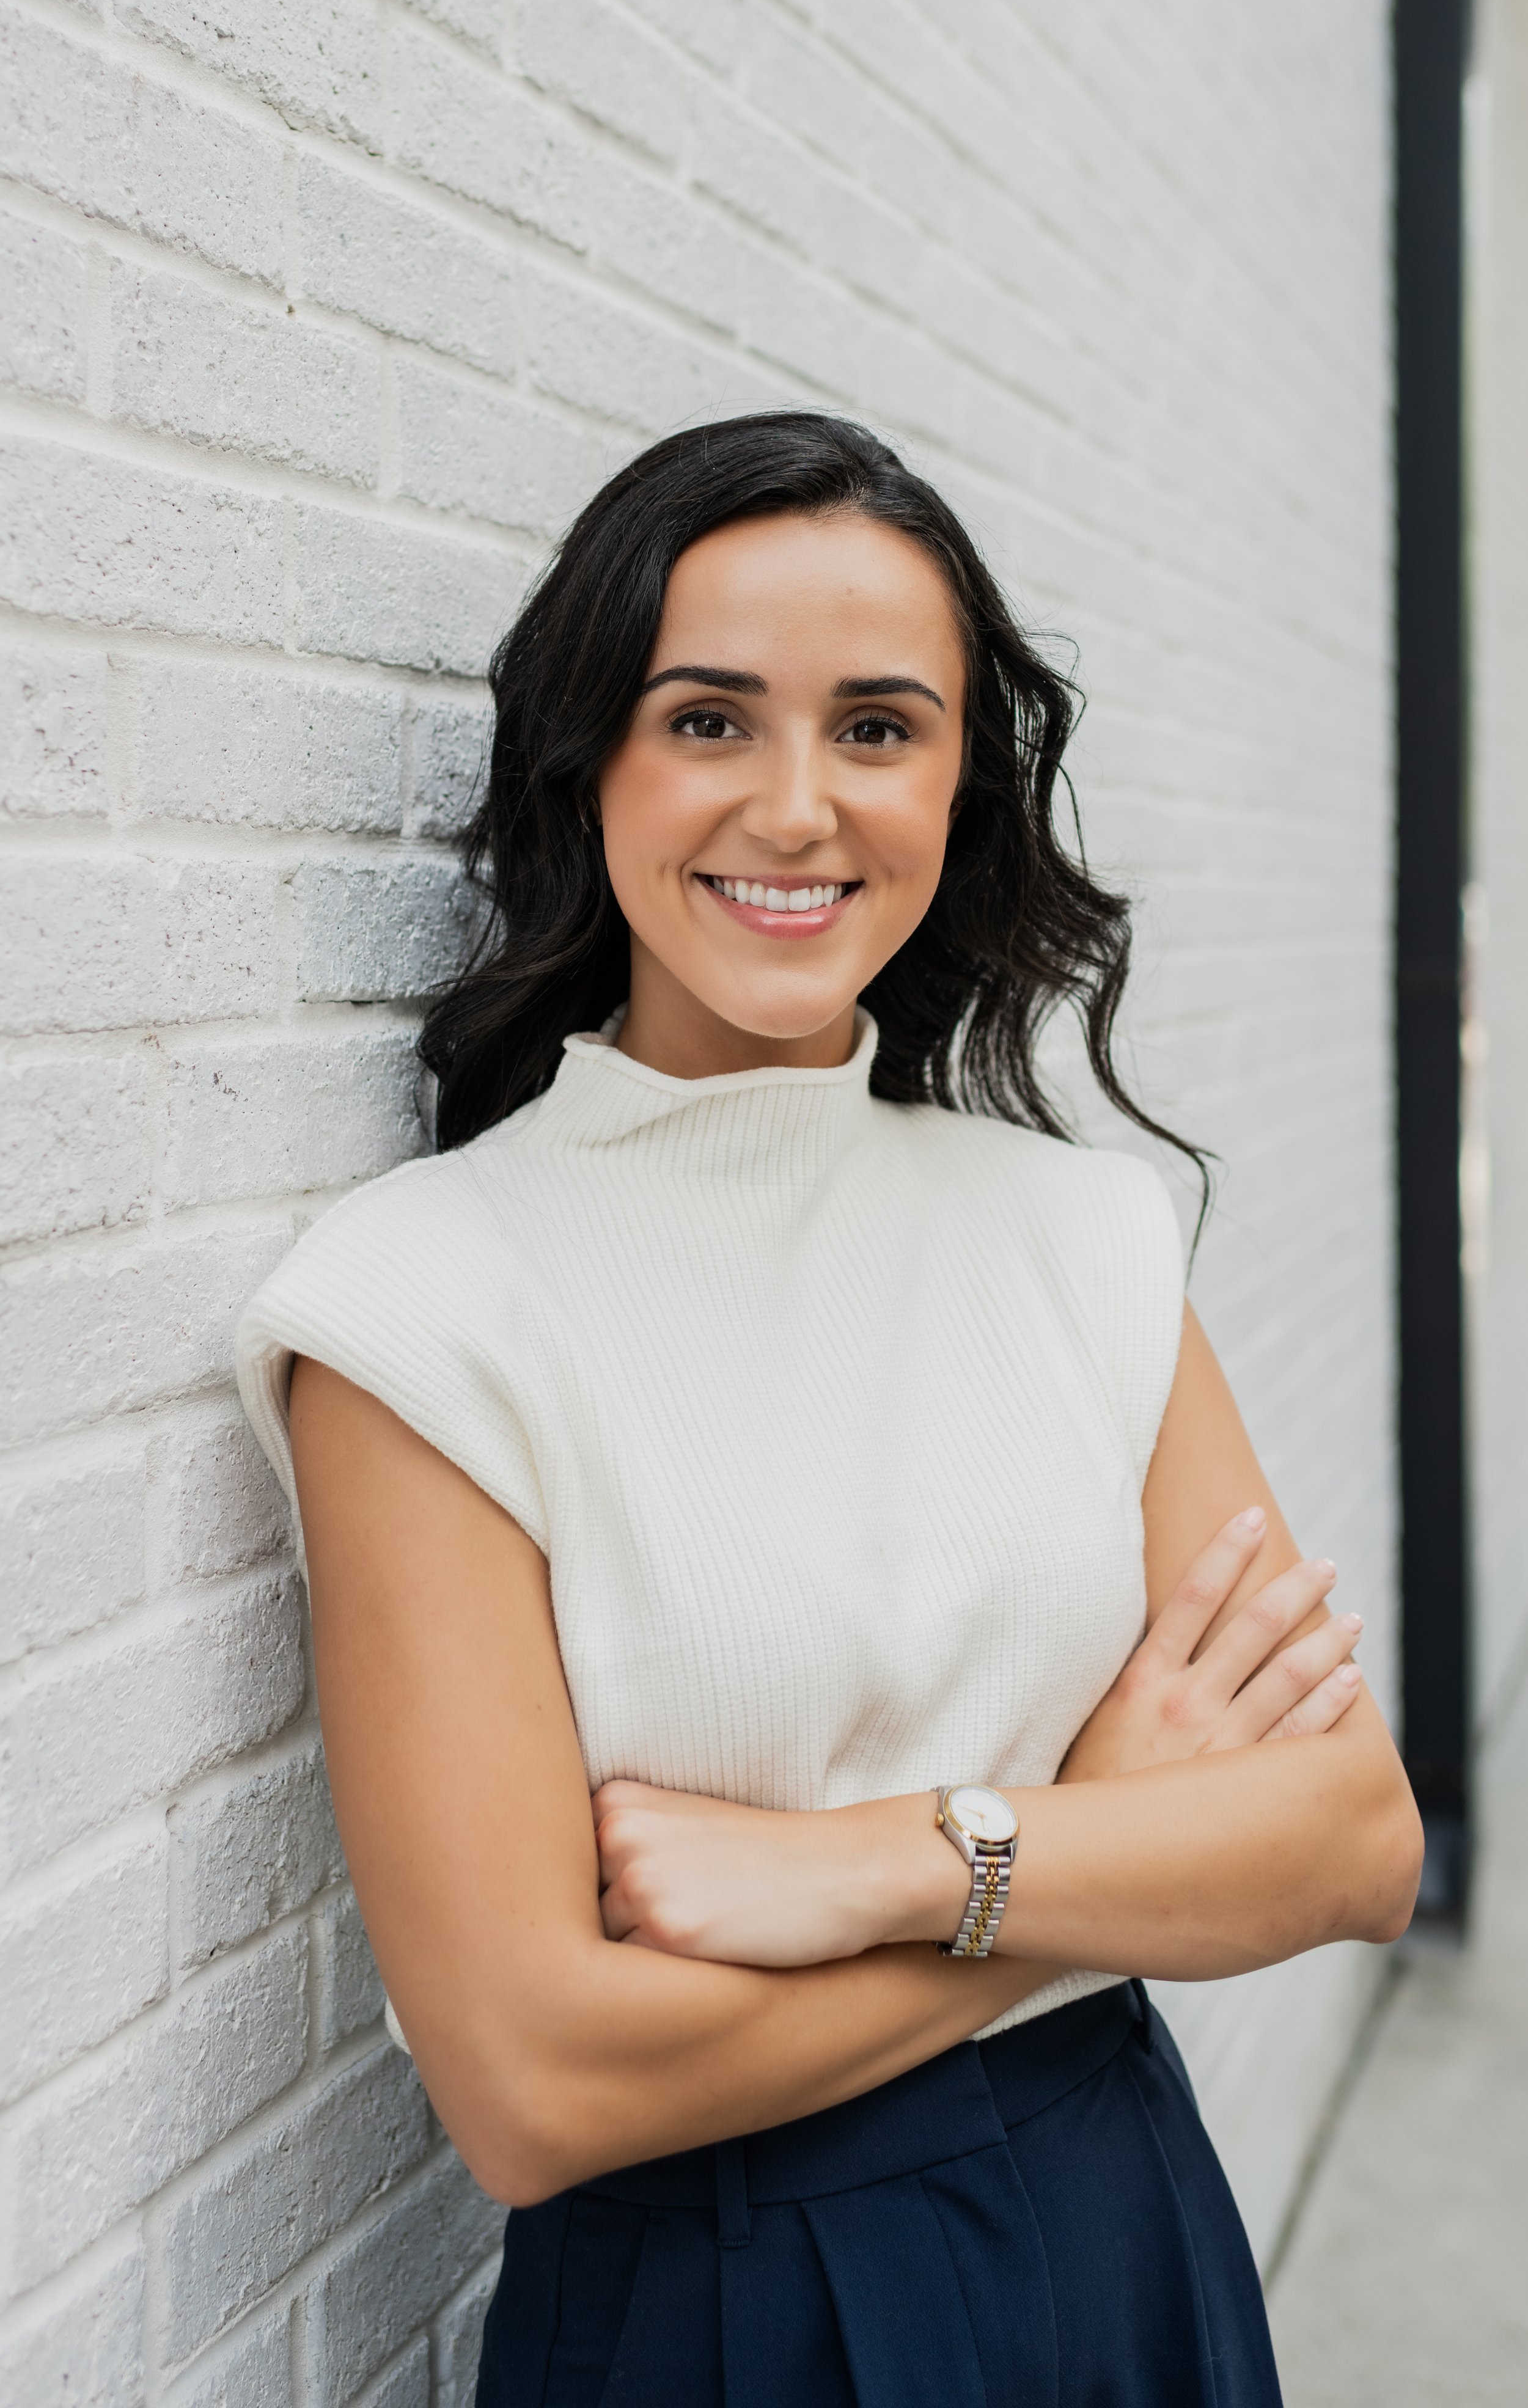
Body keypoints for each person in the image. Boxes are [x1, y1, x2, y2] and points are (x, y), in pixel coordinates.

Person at [237, 412, 1422, 2406]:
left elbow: (1348, 1842)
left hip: (1116, 2222)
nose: (797, 807)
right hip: (722, 2307)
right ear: (586, 760)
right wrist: (1103, 1838)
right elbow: (532, 2086)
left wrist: (900, 1858)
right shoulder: (419, 1303)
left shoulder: (1081, 1235)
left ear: (961, 779)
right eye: (709, 721)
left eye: (877, 728)